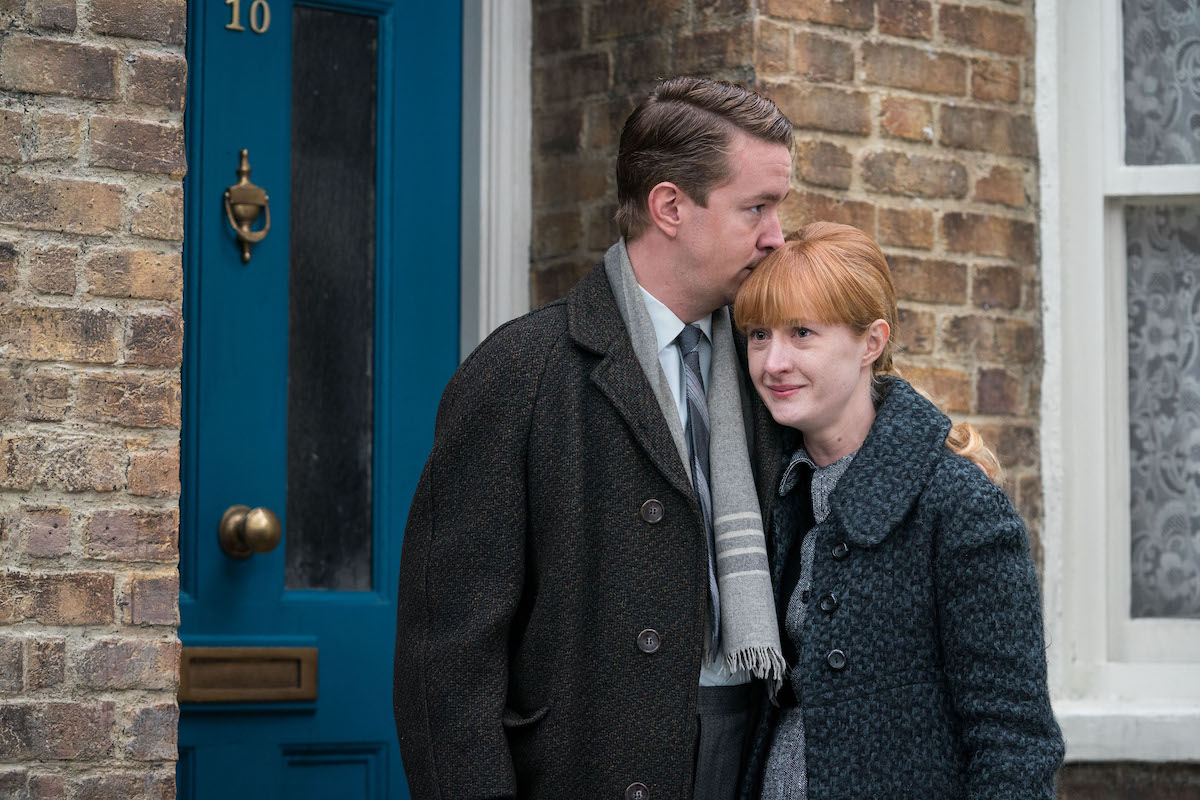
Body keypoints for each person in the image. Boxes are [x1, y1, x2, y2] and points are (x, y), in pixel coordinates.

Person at [394, 77, 795, 799]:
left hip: (755, 754)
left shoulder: (776, 368)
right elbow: (447, 659)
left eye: (780, 208)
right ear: (670, 206)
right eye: (756, 208)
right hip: (587, 765)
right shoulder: (521, 372)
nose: (777, 235)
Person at [731, 223, 1064, 799]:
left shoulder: (957, 503)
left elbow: (1016, 742)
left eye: (802, 332)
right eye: (760, 335)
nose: (773, 361)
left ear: (871, 342)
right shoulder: (768, 492)